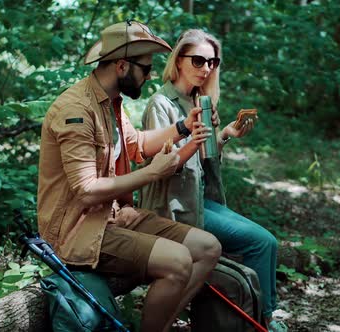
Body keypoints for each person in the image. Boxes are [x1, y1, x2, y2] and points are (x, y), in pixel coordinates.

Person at [36, 21, 221, 332]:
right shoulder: (76, 110)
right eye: (146, 69)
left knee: (208, 248)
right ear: (122, 65)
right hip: (77, 230)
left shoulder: (111, 102)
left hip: (114, 216)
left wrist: (183, 128)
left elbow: (136, 145)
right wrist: (150, 174)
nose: (150, 77)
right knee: (178, 261)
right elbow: (86, 191)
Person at [138, 29, 287, 332]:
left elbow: (200, 160)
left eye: (212, 62)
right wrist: (193, 139)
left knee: (265, 241)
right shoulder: (161, 104)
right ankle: (262, 323)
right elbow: (165, 166)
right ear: (179, 61)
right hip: (174, 207)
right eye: (198, 60)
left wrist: (223, 137)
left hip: (200, 199)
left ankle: (259, 316)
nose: (206, 68)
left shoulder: (198, 99)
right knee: (260, 242)